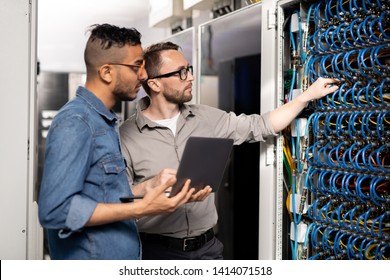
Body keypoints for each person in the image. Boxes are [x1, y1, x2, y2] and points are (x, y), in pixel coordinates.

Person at [119, 41, 339, 260]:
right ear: (155, 84)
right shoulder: (126, 136)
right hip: (157, 254)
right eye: (181, 72)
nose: (191, 77)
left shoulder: (207, 118)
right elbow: (118, 199)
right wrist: (151, 188)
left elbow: (261, 125)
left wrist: (306, 96)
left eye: (189, 69)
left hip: (207, 249)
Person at [37, 25, 210, 260]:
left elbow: (101, 195)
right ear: (107, 72)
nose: (143, 74)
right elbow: (55, 211)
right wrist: (142, 208)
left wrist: (147, 187)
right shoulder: (76, 122)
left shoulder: (104, 121)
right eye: (136, 65)